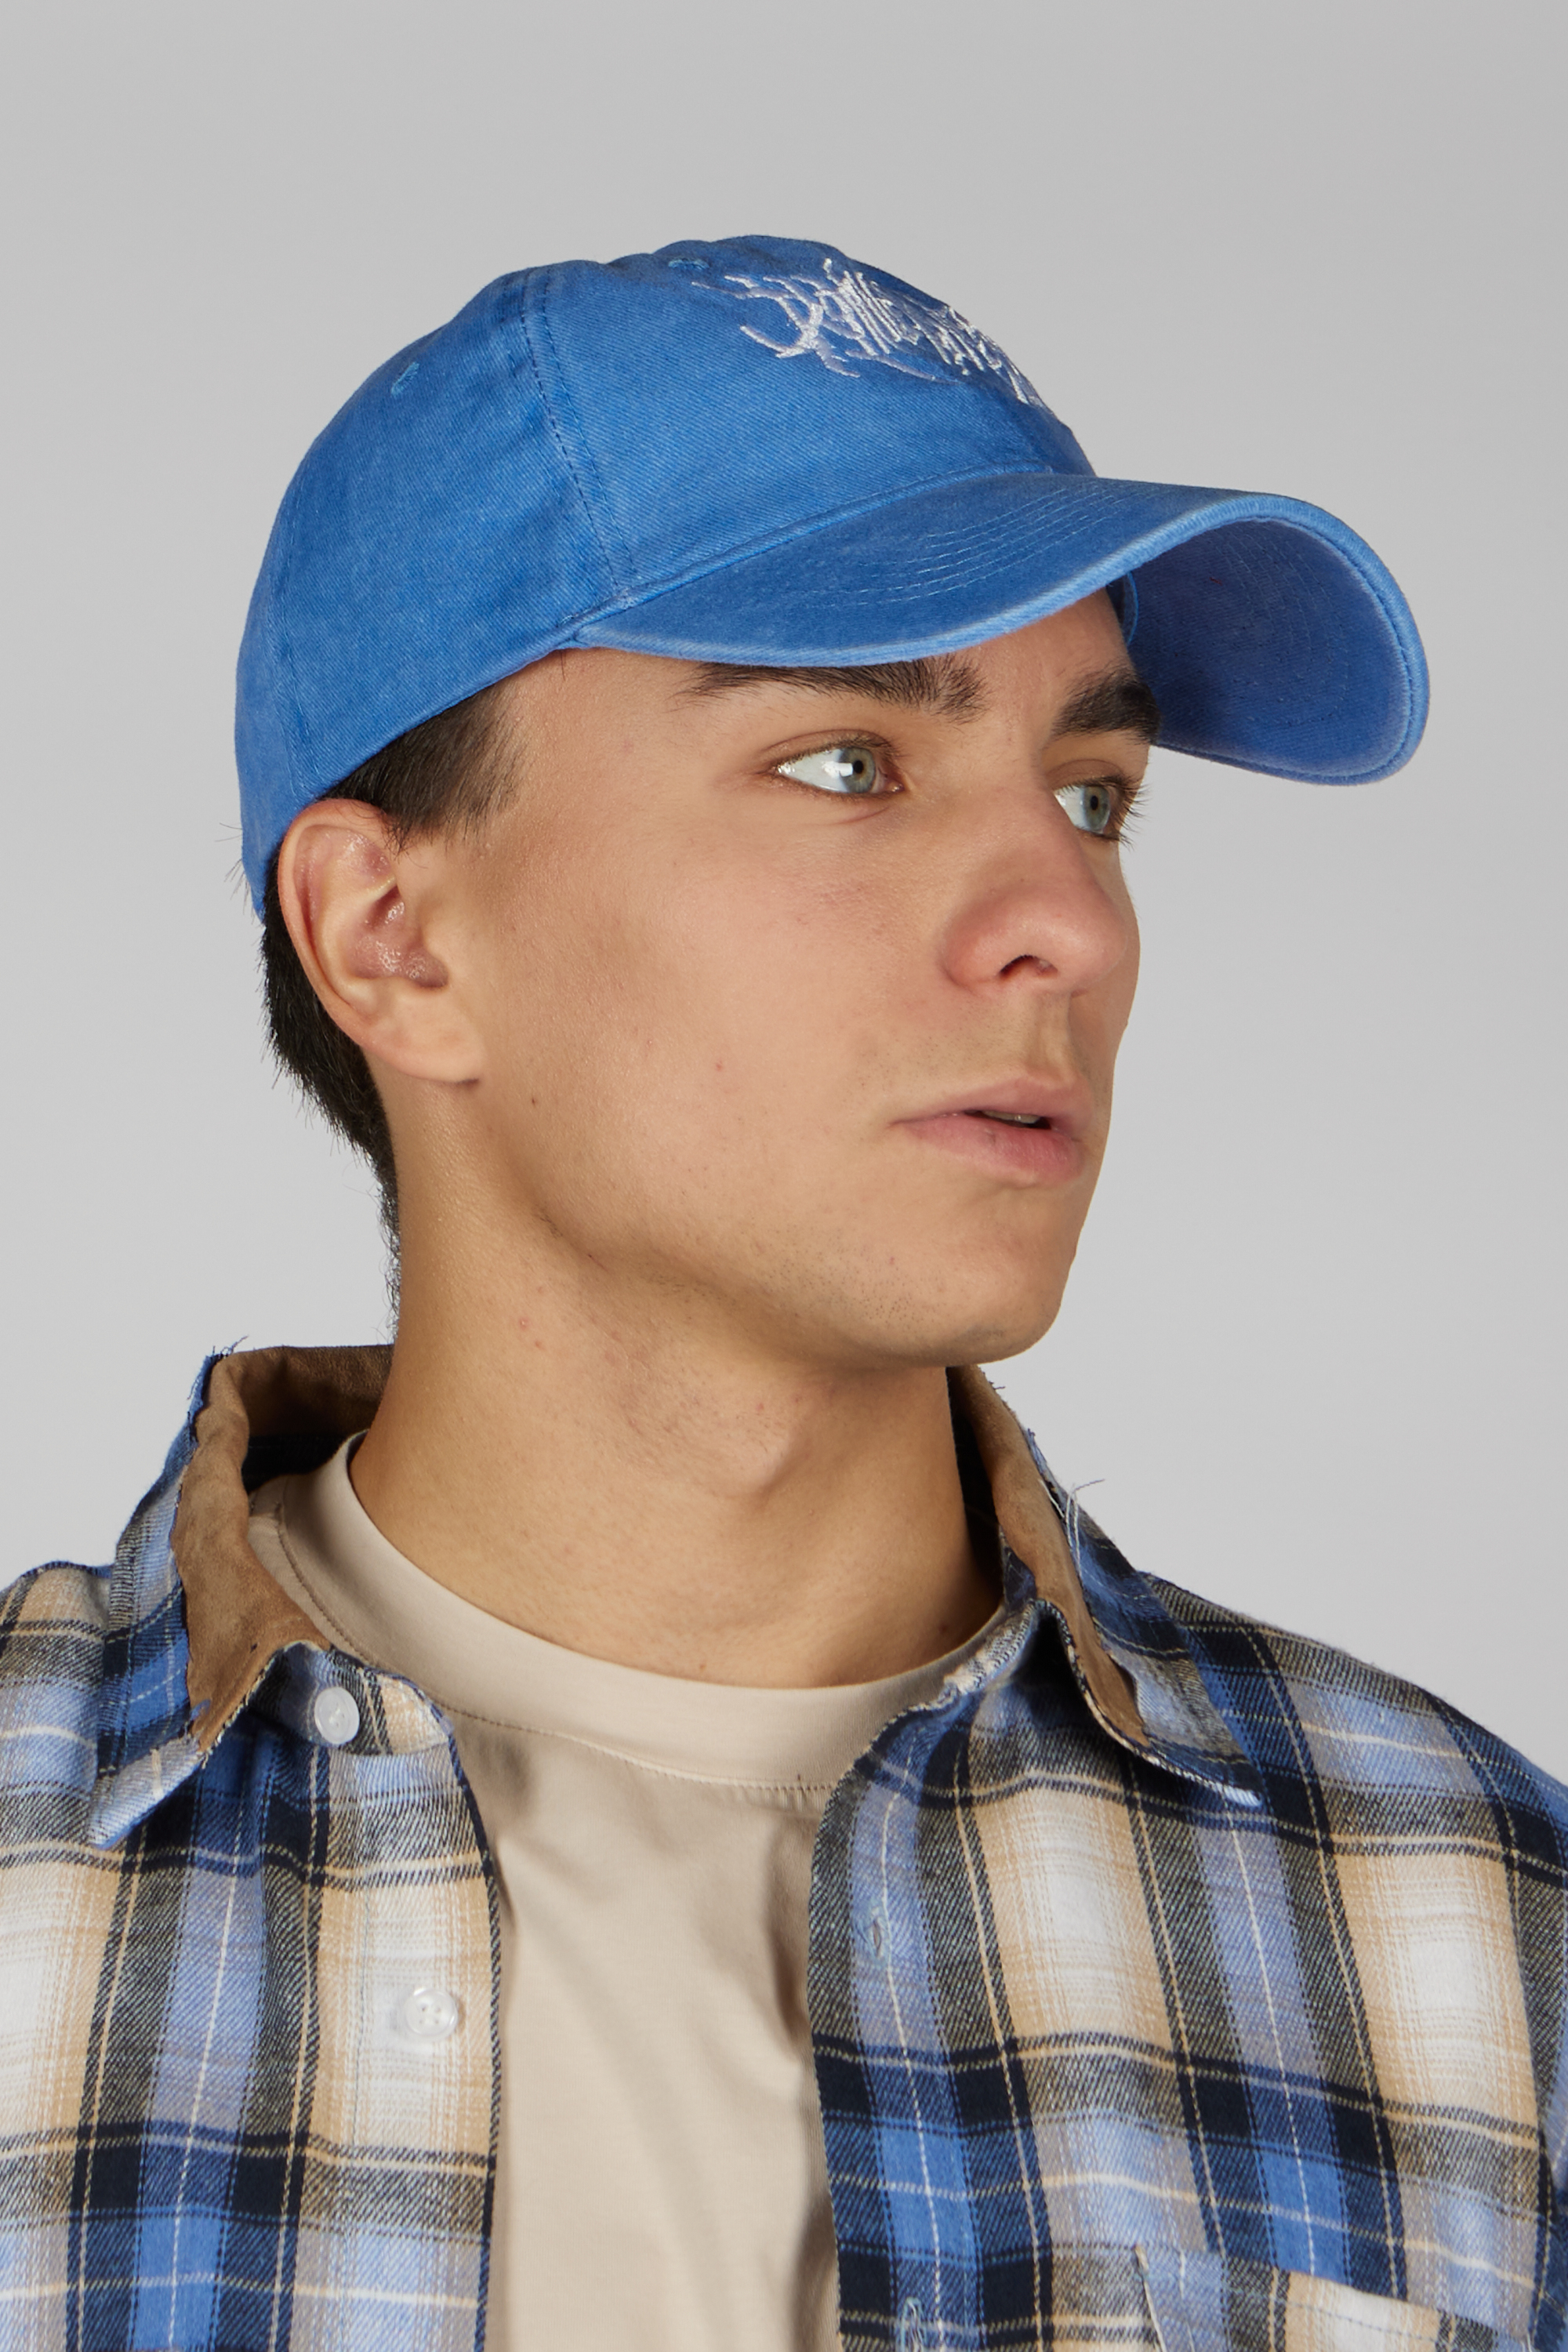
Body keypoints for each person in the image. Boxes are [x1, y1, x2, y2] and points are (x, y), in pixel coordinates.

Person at [2, 234, 1562, 2352]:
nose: (1067, 922)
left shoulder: (1480, 1935)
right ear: (392, 937)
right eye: (848, 765)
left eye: (1094, 796)